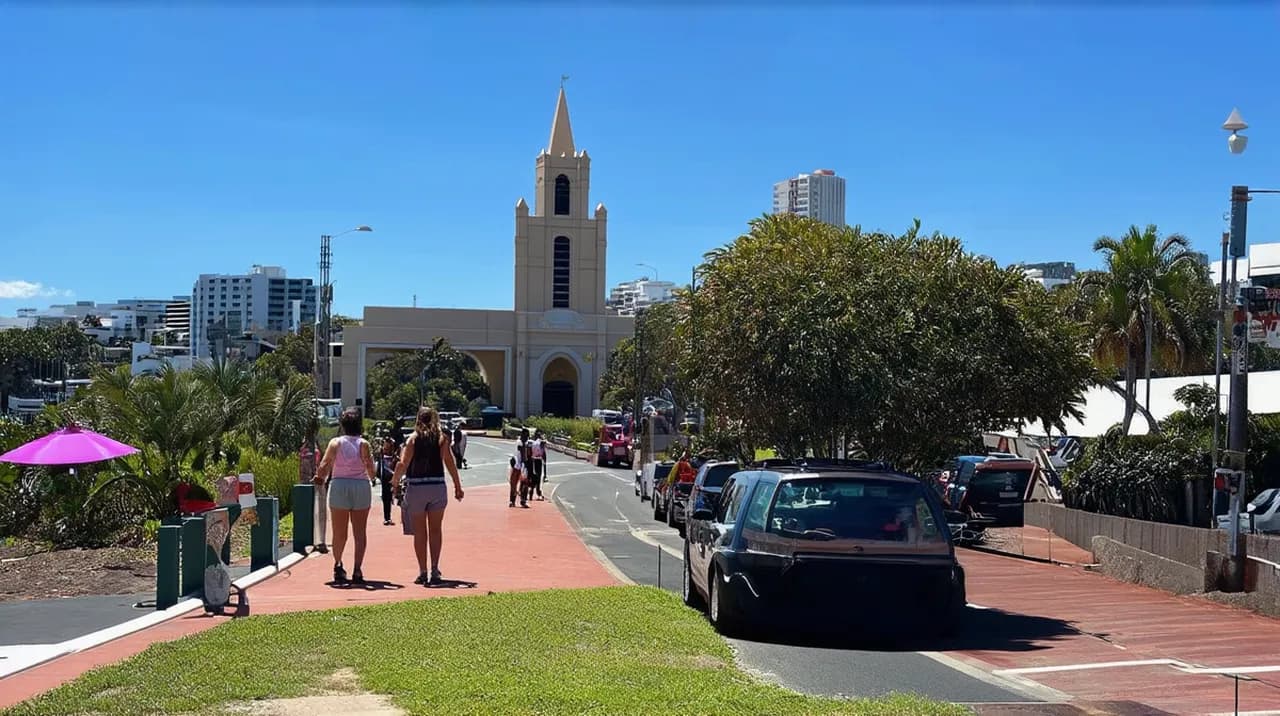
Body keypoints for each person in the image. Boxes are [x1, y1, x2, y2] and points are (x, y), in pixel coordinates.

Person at [392, 406, 465, 585]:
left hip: (416, 488)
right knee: (435, 530)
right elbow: (449, 462)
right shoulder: (441, 439)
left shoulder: (413, 440)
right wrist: (457, 485)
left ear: (418, 420)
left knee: (420, 532)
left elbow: (403, 463)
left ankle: (422, 571)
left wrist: (394, 482)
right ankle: (434, 569)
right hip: (437, 487)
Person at [315, 408, 377, 584]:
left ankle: (338, 563)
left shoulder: (336, 443)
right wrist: (372, 476)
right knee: (360, 532)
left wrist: (320, 478)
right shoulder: (364, 444)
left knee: (339, 532)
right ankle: (357, 569)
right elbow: (370, 468)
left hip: (339, 485)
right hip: (360, 486)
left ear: (342, 425)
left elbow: (325, 464)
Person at [298, 418, 328, 554]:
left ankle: (319, 540)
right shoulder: (306, 445)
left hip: (316, 482)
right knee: (315, 513)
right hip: (309, 483)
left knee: (319, 512)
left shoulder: (316, 444)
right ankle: (315, 540)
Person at [377, 437, 398, 526]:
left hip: (394, 478)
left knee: (397, 497)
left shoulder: (394, 456)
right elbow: (379, 467)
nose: (386, 447)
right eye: (385, 445)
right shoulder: (381, 455)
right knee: (386, 499)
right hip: (385, 479)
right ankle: (387, 518)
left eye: (388, 445)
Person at [530, 430, 546, 500]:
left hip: (533, 460)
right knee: (538, 477)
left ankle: (532, 491)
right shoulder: (541, 443)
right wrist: (545, 462)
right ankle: (538, 492)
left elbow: (530, 452)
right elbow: (544, 454)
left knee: (534, 476)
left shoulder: (532, 443)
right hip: (538, 460)